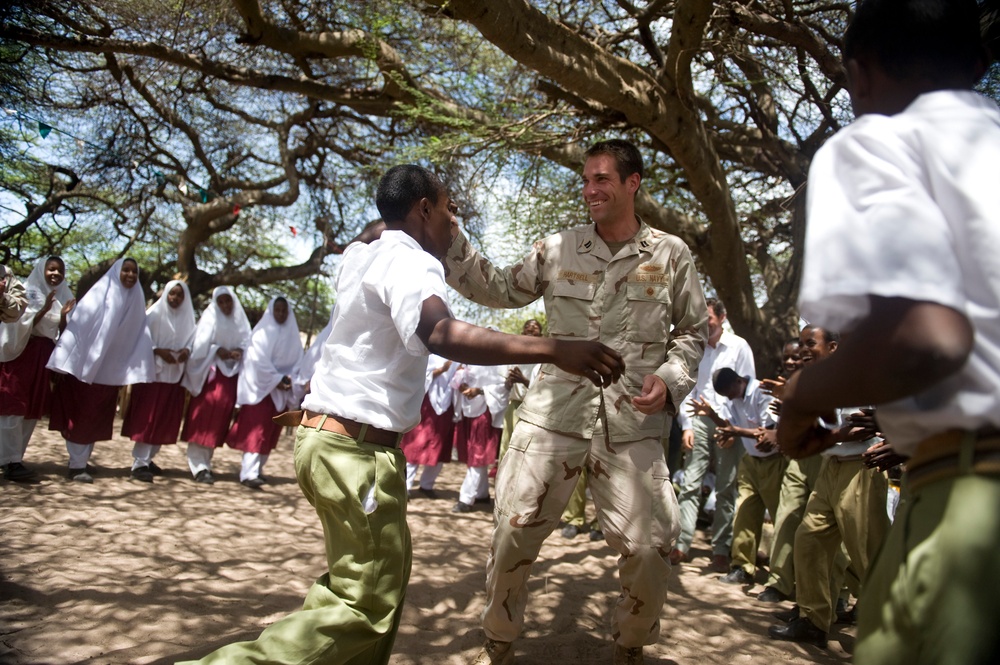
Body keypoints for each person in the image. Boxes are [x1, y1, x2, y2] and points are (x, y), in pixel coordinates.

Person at [178, 164, 623, 665]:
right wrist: (553, 348)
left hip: (327, 442)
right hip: (357, 452)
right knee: (360, 604)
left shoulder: (362, 254)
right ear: (423, 210)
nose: (454, 221)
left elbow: (379, 229)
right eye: (448, 208)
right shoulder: (411, 262)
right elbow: (441, 334)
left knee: (379, 586)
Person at [777, 1, 1000, 662]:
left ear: (861, 74)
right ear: (981, 68)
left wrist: (798, 395)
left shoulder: (881, 140)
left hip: (969, 504)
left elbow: (925, 337)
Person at [443, 139, 706, 665]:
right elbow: (497, 288)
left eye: (602, 179)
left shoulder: (671, 254)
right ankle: (497, 641)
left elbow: (693, 332)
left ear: (633, 183)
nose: (590, 190)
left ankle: (629, 647)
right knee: (512, 535)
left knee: (651, 548)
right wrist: (450, 237)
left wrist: (671, 379)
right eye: (586, 180)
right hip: (552, 418)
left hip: (632, 424)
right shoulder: (557, 248)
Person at [47, 258, 155, 483]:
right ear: (117, 272)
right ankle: (77, 465)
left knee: (95, 416)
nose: (130, 275)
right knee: (82, 413)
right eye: (126, 270)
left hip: (109, 371)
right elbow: (79, 327)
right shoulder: (98, 295)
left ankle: (81, 460)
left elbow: (138, 336)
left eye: (134, 271)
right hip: (85, 368)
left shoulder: (136, 299)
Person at [671, 297, 755, 572]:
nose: (704, 323)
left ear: (722, 317)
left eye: (708, 317)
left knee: (726, 486)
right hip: (699, 419)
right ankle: (681, 544)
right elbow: (687, 388)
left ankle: (721, 549)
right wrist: (686, 426)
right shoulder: (694, 346)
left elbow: (745, 389)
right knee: (691, 482)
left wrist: (733, 428)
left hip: (729, 422)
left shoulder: (739, 346)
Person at [696, 367, 784, 586]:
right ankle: (742, 567)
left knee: (781, 519)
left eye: (729, 392)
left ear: (739, 381)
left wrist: (736, 431)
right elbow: (729, 427)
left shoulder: (762, 393)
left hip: (774, 463)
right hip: (750, 462)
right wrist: (712, 414)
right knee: (744, 513)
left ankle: (781, 578)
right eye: (725, 395)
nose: (729, 397)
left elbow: (769, 433)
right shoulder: (733, 398)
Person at [0, 256, 75, 481]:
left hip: (43, 356)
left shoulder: (66, 295)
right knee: (13, 406)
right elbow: (18, 322)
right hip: (21, 352)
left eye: (60, 270)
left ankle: (15, 458)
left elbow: (66, 331)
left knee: (31, 409)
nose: (55, 274)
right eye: (51, 269)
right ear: (42, 269)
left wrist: (62, 316)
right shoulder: (25, 290)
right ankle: (8, 460)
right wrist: (42, 309)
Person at [120, 280, 195, 482]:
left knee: (163, 418)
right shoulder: (153, 314)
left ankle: (149, 459)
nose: (175, 298)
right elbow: (140, 338)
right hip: (153, 375)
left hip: (174, 376)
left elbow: (192, 341)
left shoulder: (189, 318)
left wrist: (186, 351)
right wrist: (159, 351)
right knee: (149, 417)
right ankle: (139, 463)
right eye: (172, 294)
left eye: (180, 295)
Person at [225, 296, 302, 489]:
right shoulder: (260, 333)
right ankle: (248, 472)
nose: (281, 314)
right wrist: (275, 380)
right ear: (271, 311)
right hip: (262, 391)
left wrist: (288, 380)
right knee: (256, 431)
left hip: (281, 392)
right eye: (277, 310)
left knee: (269, 432)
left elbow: (299, 362)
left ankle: (258, 469)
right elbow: (255, 360)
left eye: (284, 310)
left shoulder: (293, 334)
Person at [180, 286, 252, 484]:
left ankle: (206, 464)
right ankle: (198, 466)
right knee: (203, 418)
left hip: (230, 378)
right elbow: (199, 346)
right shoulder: (210, 318)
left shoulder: (240, 321)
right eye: (221, 301)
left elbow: (248, 342)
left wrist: (239, 350)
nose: (225, 305)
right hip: (210, 376)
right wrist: (217, 350)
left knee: (217, 421)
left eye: (228, 301)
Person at [450, 363, 507, 513]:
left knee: (478, 454)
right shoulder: (470, 357)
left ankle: (466, 499)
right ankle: (481, 494)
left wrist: (480, 391)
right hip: (468, 408)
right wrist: (461, 384)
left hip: (485, 411)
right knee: (473, 454)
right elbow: (459, 379)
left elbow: (504, 385)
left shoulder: (499, 361)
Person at [400, 354, 458, 499]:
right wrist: (442, 370)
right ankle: (405, 486)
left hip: (447, 406)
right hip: (427, 404)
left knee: (438, 447)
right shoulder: (431, 355)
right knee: (416, 446)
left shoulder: (457, 358)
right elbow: (420, 376)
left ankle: (427, 485)